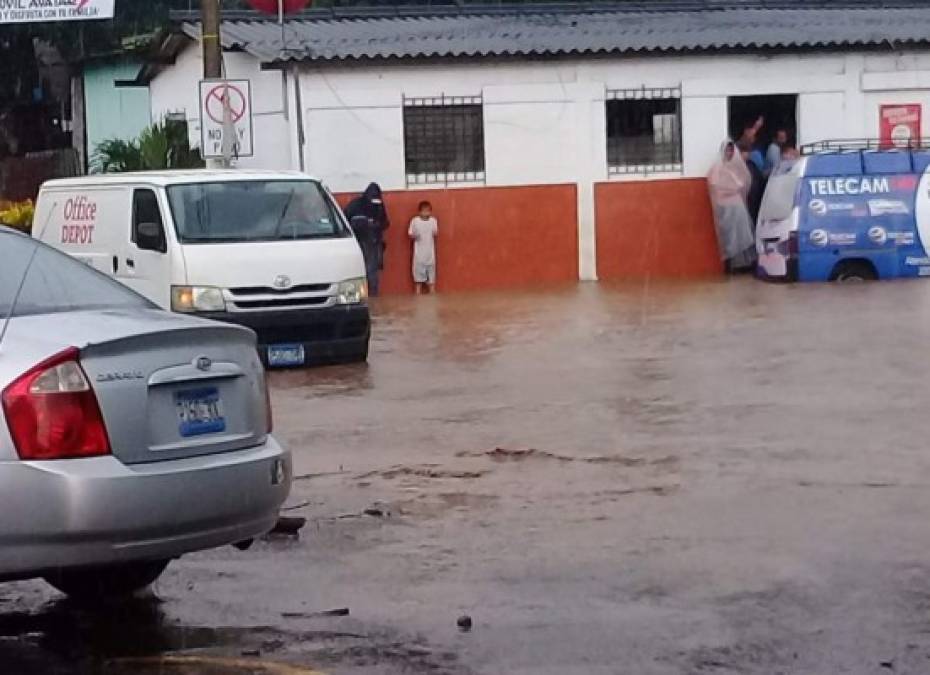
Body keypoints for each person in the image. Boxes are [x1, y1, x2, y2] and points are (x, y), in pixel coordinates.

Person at [707, 140, 756, 273]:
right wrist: (731, 189)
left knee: (743, 234)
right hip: (725, 208)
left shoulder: (736, 167)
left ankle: (745, 265)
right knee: (730, 237)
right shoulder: (717, 168)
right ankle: (732, 267)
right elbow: (715, 186)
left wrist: (736, 188)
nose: (729, 153)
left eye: (731, 150)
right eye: (727, 150)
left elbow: (744, 182)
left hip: (738, 206)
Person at [345, 183, 390, 295]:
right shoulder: (355, 205)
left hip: (372, 243)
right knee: (356, 272)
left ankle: (373, 300)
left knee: (372, 274)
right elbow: (344, 222)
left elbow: (385, 222)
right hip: (356, 244)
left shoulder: (379, 205)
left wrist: (375, 224)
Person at [408, 200, 438, 294]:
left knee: (431, 280)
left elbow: (435, 232)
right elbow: (410, 234)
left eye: (428, 210)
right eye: (424, 211)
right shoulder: (415, 221)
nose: (426, 213)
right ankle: (418, 295)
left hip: (430, 254)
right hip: (419, 255)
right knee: (418, 280)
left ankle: (432, 294)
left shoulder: (433, 221)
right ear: (419, 211)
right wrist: (415, 236)